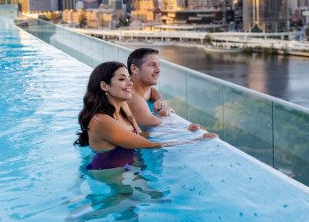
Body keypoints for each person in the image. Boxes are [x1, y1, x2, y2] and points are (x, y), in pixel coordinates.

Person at [75, 61, 216, 170]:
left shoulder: (123, 107)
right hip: (109, 174)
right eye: (122, 79)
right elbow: (150, 145)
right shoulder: (101, 121)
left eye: (129, 78)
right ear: (104, 86)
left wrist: (184, 131)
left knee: (157, 199)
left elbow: (142, 136)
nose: (130, 83)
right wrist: (197, 140)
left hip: (127, 167)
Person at [126, 48, 201, 130]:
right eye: (152, 65)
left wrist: (159, 99)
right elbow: (159, 126)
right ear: (134, 69)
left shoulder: (143, 88)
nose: (158, 70)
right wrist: (186, 128)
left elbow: (151, 91)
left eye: (158, 65)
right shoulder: (132, 97)